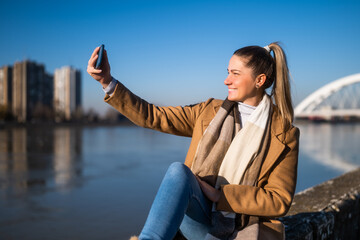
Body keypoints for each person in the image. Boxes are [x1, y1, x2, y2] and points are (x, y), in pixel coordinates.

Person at [87, 42, 300, 240]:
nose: (227, 80)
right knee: (178, 171)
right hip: (200, 220)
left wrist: (220, 195)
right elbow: (153, 115)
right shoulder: (209, 112)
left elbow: (278, 199)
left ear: (259, 80)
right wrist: (107, 82)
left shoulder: (284, 134)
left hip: (241, 230)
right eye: (227, 72)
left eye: (235, 74)